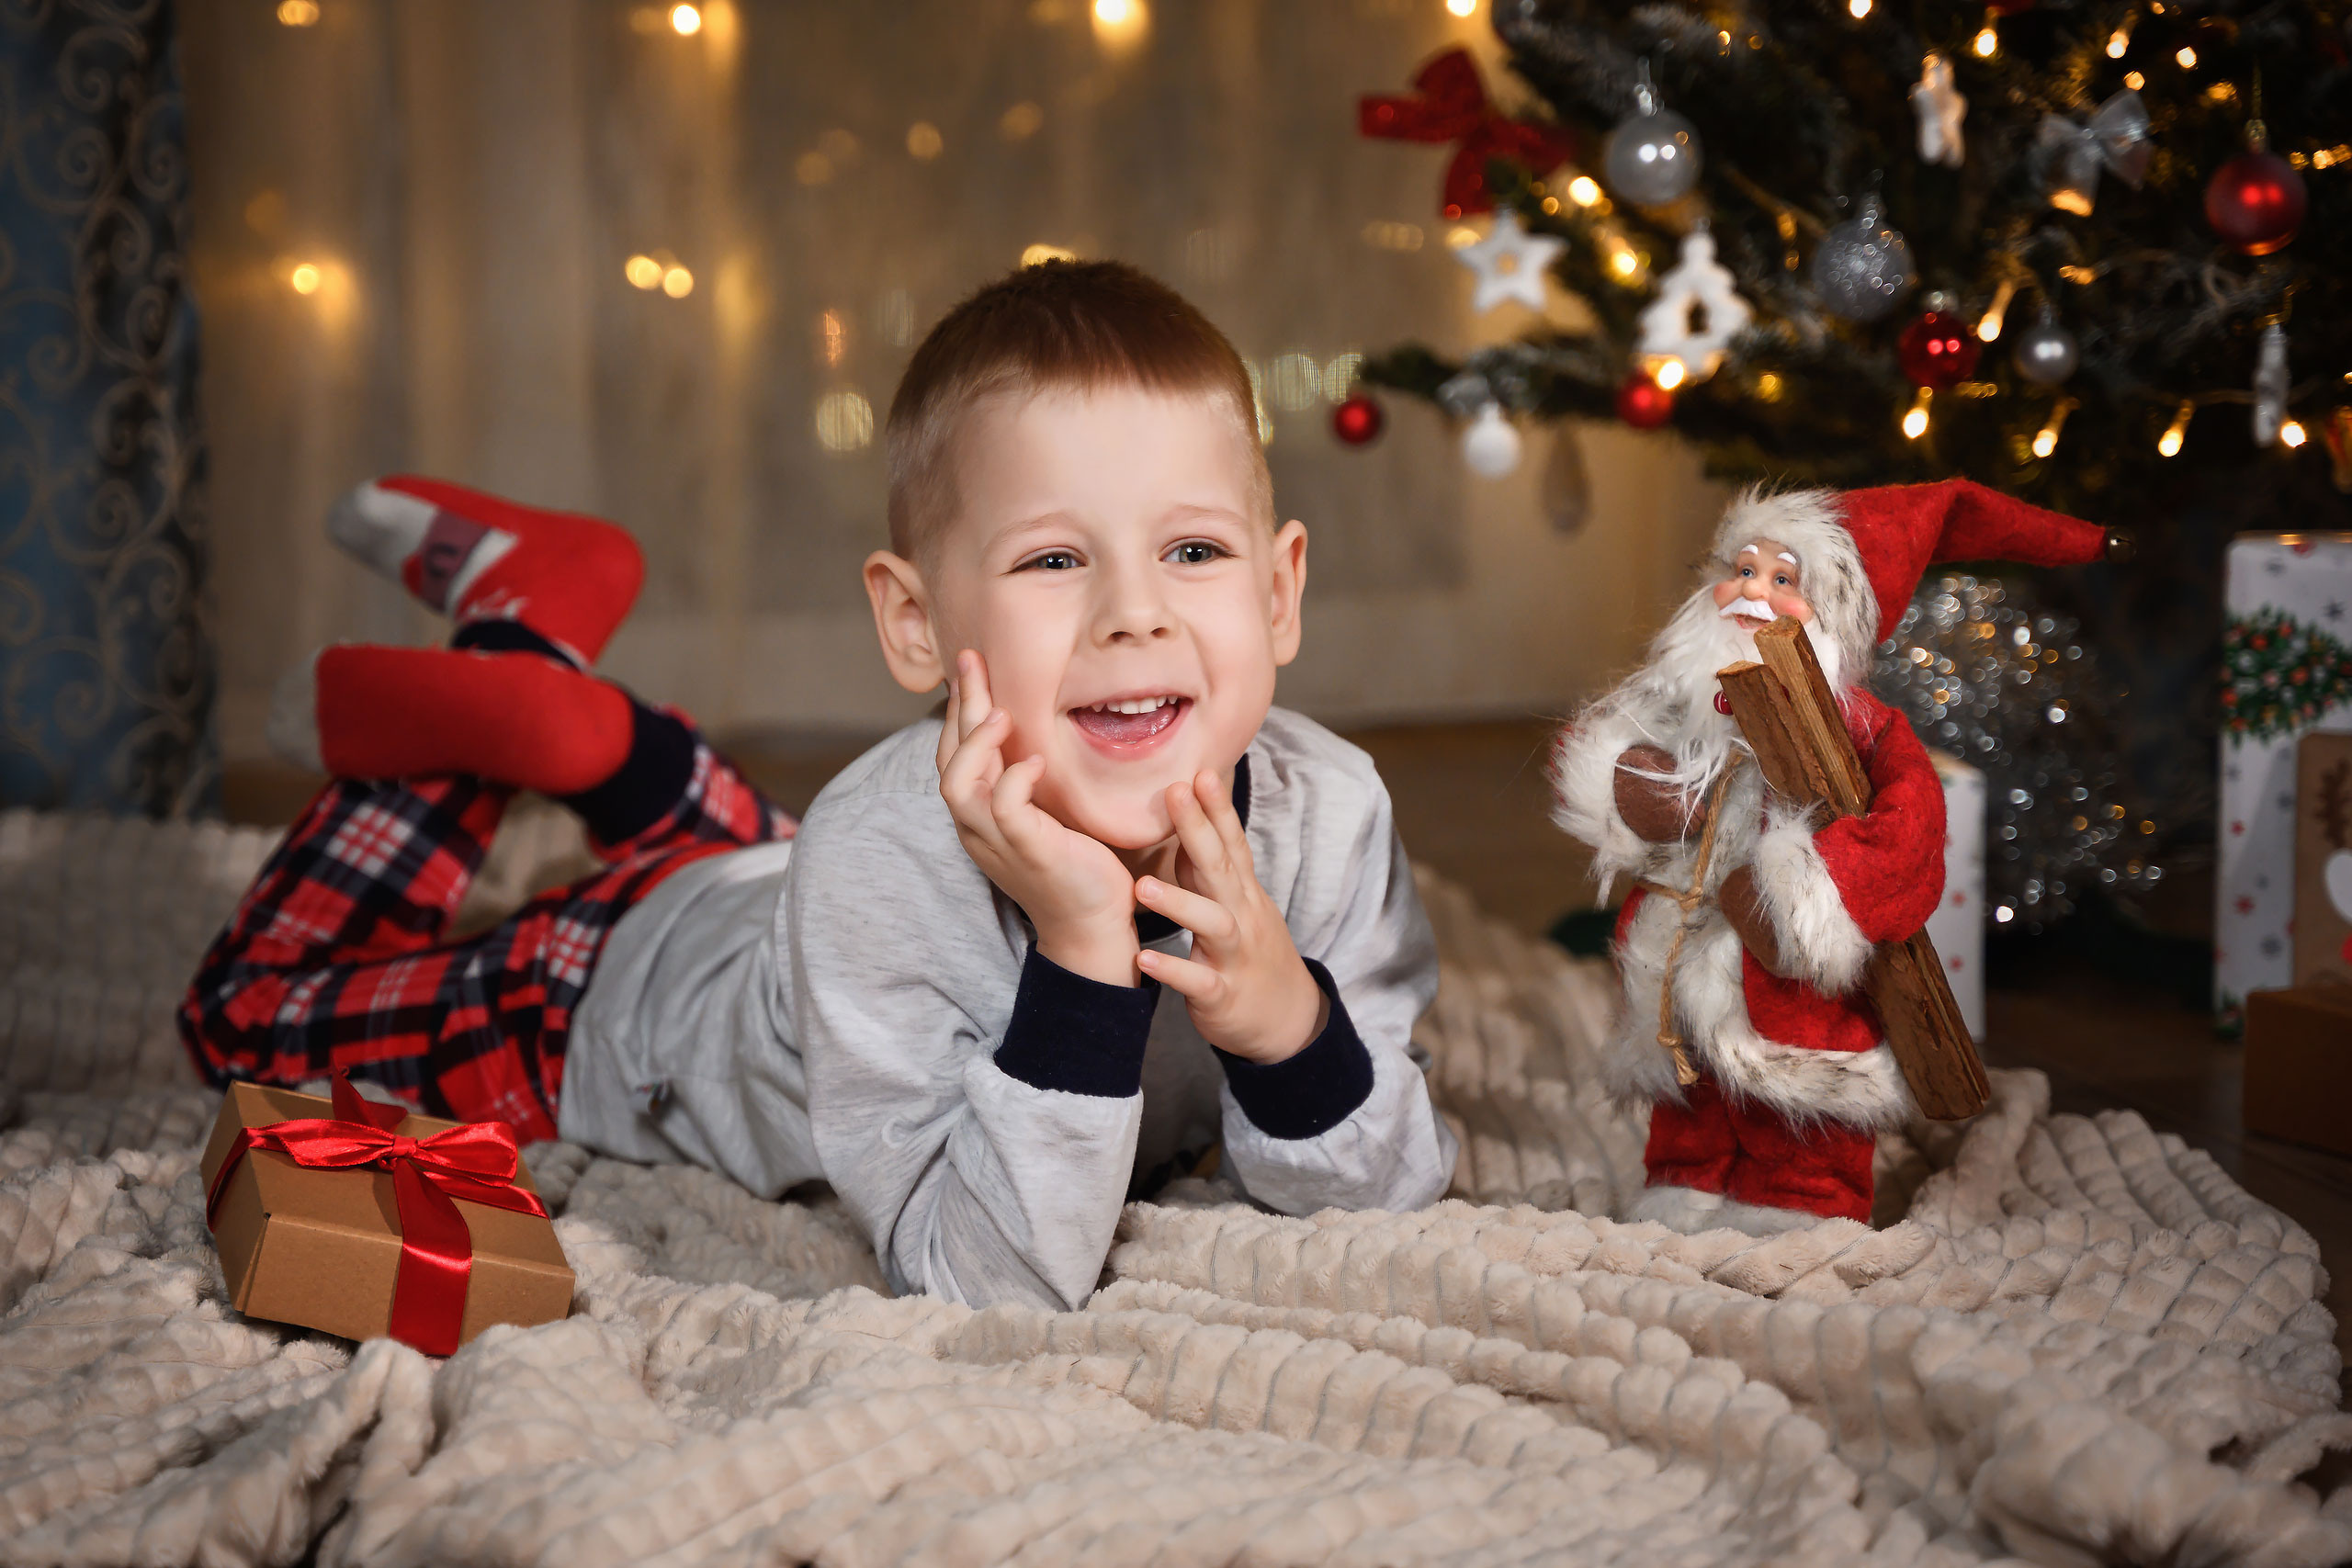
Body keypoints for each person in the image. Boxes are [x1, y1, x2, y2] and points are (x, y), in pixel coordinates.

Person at [182, 260, 1457, 1311]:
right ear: (914, 625)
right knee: (240, 1016)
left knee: (780, 859)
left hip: (777, 882)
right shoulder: (878, 855)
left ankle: (581, 701)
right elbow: (982, 1280)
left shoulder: (1332, 813)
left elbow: (1393, 1192)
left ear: (1279, 591)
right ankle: (509, 668)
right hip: (619, 997)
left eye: (1193, 548)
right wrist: (1079, 959)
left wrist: (1292, 1024)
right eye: (1056, 558)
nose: (1135, 614)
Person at [1549, 479, 2116, 1234]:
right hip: (1679, 950)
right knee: (1691, 1082)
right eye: (1742, 568)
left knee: (1797, 1092)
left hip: (1788, 969)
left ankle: (1804, 1196)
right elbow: (1593, 740)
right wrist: (1629, 784)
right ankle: (1685, 1176)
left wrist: (1804, 890)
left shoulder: (1864, 731)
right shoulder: (1671, 701)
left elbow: (1910, 828)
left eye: (1783, 579)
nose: (1752, 590)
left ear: (1833, 615)